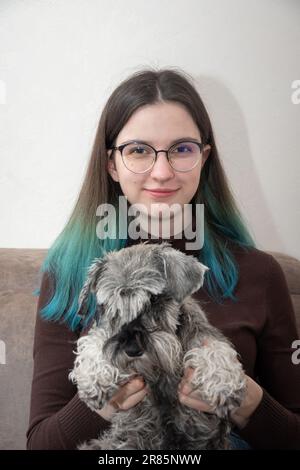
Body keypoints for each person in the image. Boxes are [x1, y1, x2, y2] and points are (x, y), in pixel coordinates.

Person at [26, 68, 300, 450]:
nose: (161, 172)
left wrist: (244, 400)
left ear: (203, 158)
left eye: (181, 149)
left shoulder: (261, 274)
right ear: (111, 163)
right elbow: (40, 444)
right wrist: (100, 403)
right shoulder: (68, 274)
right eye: (138, 150)